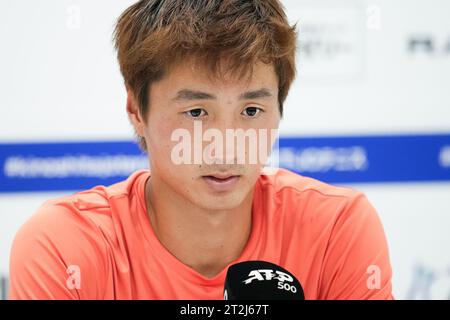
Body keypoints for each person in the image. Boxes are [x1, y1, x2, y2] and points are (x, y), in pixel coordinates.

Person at [9, 0, 393, 299]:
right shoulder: (64, 248)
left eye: (251, 110)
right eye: (196, 112)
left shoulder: (336, 230)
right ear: (136, 110)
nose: (226, 144)